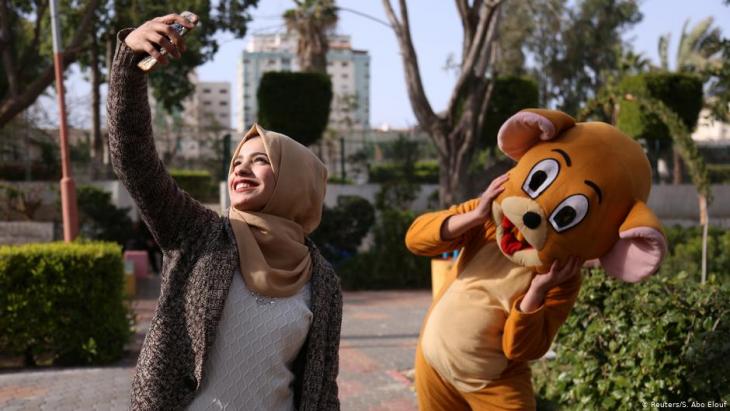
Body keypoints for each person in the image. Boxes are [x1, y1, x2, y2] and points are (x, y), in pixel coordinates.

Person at [107, 13, 342, 410]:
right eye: (237, 160)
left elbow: (321, 390)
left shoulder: (323, 283)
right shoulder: (197, 235)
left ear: (296, 180)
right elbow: (133, 159)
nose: (240, 167)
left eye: (261, 160)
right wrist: (129, 63)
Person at [405, 174, 583, 410]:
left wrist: (538, 290)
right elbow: (416, 238)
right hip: (433, 365)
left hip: (493, 381)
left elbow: (522, 348)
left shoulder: (562, 274)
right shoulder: (489, 218)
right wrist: (475, 216)